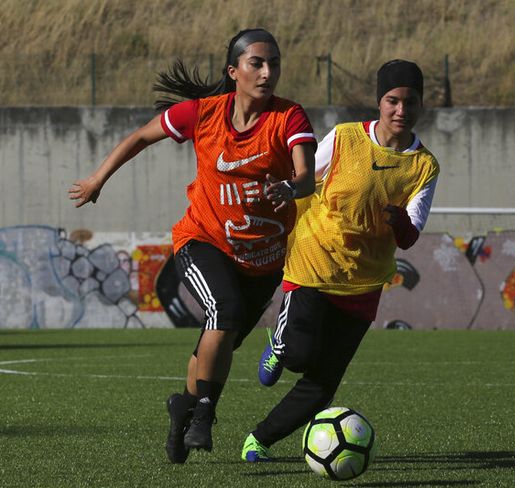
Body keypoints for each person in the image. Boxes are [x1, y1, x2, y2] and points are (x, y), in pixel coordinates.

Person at [68, 28, 317, 464]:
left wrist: (290, 188)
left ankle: (182, 405)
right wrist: (96, 179)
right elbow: (141, 137)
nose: (267, 71)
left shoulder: (289, 117)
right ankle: (203, 412)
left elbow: (307, 177)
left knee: (215, 341)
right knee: (224, 312)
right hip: (202, 239)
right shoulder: (201, 113)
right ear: (233, 70)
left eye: (274, 63)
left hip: (263, 262)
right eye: (257, 63)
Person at [240, 59, 440, 462]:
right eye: (392, 100)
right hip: (314, 260)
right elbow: (304, 178)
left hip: (363, 284)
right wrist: (283, 189)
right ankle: (278, 345)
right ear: (379, 102)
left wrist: (399, 221)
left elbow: (411, 236)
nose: (401, 110)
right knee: (297, 355)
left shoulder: (424, 166)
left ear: (420, 105)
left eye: (410, 102)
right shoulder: (347, 138)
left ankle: (259, 439)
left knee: (323, 382)